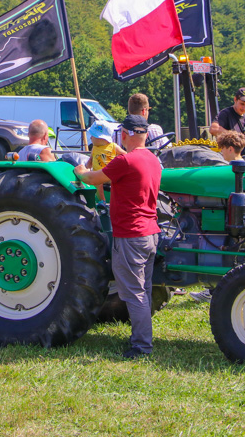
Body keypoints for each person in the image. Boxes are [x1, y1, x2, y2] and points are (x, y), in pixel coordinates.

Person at [75, 114, 162, 359]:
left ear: (125, 134)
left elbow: (93, 178)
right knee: (143, 290)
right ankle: (142, 338)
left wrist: (80, 170)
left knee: (134, 293)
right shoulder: (153, 160)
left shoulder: (126, 161)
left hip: (131, 235)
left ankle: (142, 346)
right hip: (150, 233)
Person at [189, 130, 245, 303]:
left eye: (222, 149)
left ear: (230, 148)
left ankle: (213, 289)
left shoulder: (228, 170)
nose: (221, 153)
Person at [209, 87, 245, 155]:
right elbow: (213, 129)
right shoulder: (225, 114)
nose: (244, 108)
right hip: (233, 157)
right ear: (235, 99)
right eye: (242, 104)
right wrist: (237, 136)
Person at [85, 120, 126, 201]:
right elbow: (91, 159)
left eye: (93, 136)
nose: (90, 138)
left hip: (110, 173)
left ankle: (117, 200)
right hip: (98, 174)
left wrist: (119, 163)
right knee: (97, 182)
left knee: (118, 182)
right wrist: (86, 168)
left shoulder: (113, 146)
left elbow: (126, 155)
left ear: (101, 138)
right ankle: (102, 201)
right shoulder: (94, 147)